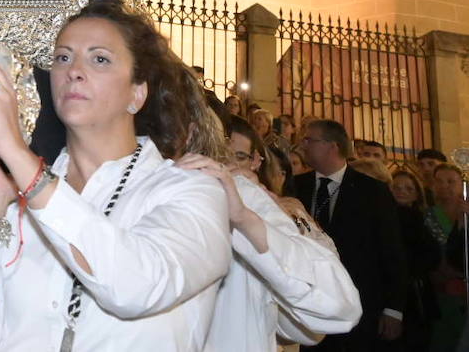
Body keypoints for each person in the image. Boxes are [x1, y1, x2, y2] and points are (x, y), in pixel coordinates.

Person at [0, 0, 232, 350]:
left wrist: (15, 153)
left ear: (137, 95)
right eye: (63, 57)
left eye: (99, 59)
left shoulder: (192, 193)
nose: (73, 70)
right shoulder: (18, 205)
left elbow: (137, 287)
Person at [184, 114, 360, 351]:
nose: (228, 165)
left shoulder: (278, 208)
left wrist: (264, 217)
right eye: (222, 155)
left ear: (256, 161)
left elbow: (316, 319)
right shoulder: (191, 197)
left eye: (239, 157)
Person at [288, 119, 410, 349]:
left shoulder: (372, 190)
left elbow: (391, 250)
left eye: (309, 140)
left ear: (332, 146)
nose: (303, 145)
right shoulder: (295, 185)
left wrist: (393, 309)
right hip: (307, 303)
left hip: (360, 303)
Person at [390, 168, 441, 351]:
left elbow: (432, 255)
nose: (402, 192)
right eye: (396, 187)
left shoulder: (422, 219)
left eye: (409, 188)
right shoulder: (385, 219)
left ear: (417, 194)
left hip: (417, 292)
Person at [427, 164, 469, 351]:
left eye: (451, 181)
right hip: (441, 288)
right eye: (439, 181)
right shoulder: (427, 215)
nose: (445, 186)